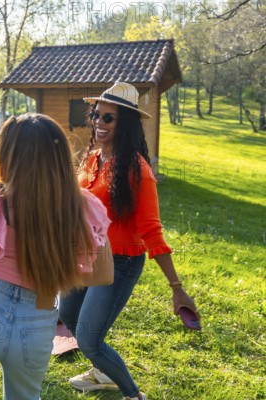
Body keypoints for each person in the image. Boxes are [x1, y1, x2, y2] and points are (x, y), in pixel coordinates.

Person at [0, 113, 113, 399]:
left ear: (8, 155)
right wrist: (52, 272)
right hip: (36, 320)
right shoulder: (85, 206)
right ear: (60, 155)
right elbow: (104, 274)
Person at [58, 82, 200, 400]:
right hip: (85, 255)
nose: (99, 122)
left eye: (108, 118)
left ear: (126, 124)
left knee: (90, 340)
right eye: (96, 115)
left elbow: (151, 231)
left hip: (120, 262)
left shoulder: (138, 171)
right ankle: (102, 370)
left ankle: (133, 395)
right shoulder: (93, 159)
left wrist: (177, 288)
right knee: (69, 315)